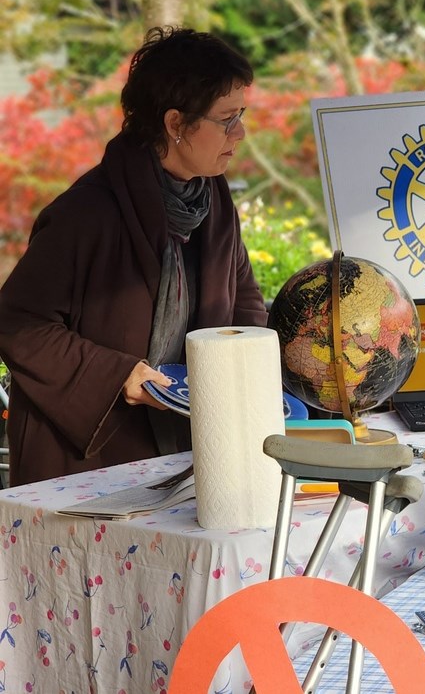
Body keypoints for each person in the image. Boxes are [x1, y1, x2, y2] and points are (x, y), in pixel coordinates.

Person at [0, 27, 268, 486]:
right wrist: (117, 374)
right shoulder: (86, 212)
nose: (240, 133)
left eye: (240, 115)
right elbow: (16, 321)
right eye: (226, 119)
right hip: (86, 463)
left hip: (190, 446)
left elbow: (244, 310)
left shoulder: (213, 201)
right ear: (175, 123)